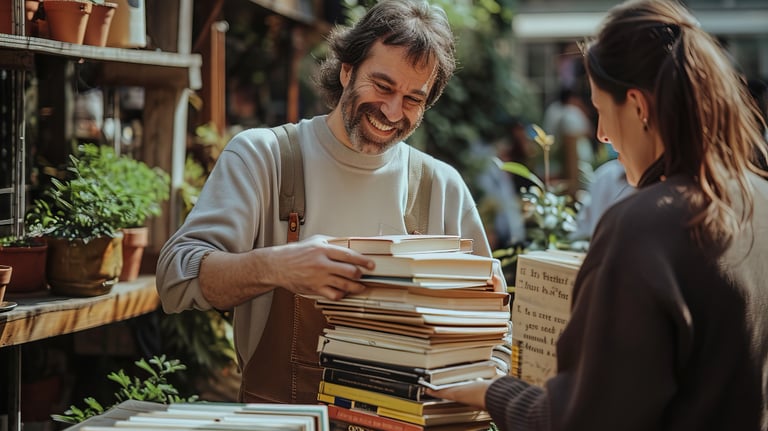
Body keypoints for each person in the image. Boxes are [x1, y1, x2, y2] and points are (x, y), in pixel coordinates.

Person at [427, 1, 768, 430]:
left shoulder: (644, 227)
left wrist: (492, 390)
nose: (602, 133)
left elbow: (581, 419)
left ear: (638, 105)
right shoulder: (759, 198)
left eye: (600, 110)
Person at [156, 0, 502, 405]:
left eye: (413, 99)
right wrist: (277, 265)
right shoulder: (265, 157)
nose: (392, 111)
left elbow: (493, 333)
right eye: (383, 86)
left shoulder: (440, 187)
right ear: (347, 70)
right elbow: (175, 278)